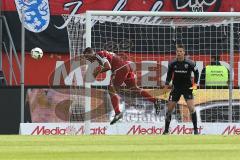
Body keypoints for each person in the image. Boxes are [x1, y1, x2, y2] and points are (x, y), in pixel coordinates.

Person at [82, 47, 161, 125]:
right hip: (126, 66)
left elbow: (108, 67)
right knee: (134, 89)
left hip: (120, 68)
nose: (88, 59)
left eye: (87, 57)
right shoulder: (99, 57)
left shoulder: (99, 55)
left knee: (111, 89)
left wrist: (96, 73)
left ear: (91, 53)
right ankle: (155, 101)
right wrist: (94, 73)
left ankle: (118, 113)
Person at [162, 44, 199, 135]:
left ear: (184, 52)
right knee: (169, 109)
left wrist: (195, 85)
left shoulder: (190, 63)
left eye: (181, 51)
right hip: (176, 88)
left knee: (191, 108)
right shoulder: (172, 63)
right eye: (177, 51)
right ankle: (166, 130)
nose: (179, 53)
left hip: (187, 88)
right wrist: (166, 87)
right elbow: (169, 76)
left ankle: (195, 130)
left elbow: (197, 73)